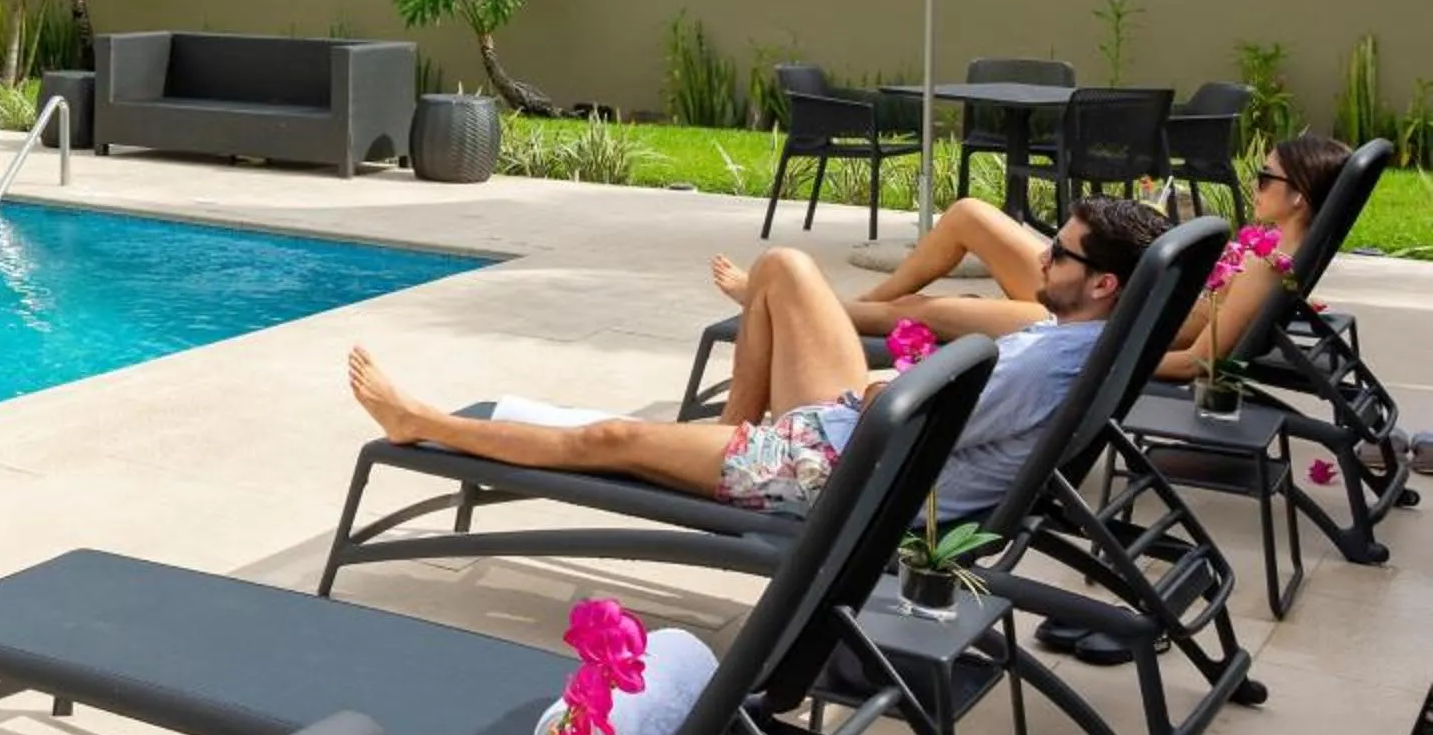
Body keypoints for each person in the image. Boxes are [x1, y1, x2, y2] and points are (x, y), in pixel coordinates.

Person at [349, 198, 1172, 518]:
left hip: (839, 472)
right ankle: (726, 436)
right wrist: (883, 385)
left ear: (1104, 284)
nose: (1040, 258)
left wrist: (881, 389)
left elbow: (919, 433)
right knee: (784, 268)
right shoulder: (1082, 337)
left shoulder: (1045, 366)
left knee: (609, 439)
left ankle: (420, 422)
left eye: (1058, 254)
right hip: (848, 430)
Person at [716, 134, 1349, 383]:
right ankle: (818, 300)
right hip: (1106, 291)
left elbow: (1196, 362)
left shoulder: (1269, 265)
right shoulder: (1278, 249)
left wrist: (1107, 356)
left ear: (1297, 196)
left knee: (928, 310)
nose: (1255, 183)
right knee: (968, 215)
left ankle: (788, 299)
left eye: (1265, 177)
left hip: (1096, 324)